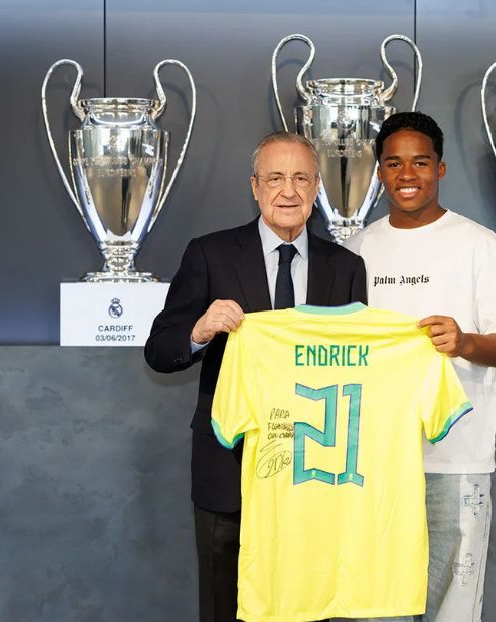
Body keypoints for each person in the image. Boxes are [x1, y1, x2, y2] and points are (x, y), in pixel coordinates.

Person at [144, 131, 367, 622]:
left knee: (310, 605)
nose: (288, 191)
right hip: (230, 468)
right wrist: (200, 330)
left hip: (316, 470)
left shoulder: (347, 267)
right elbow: (160, 351)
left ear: (316, 188)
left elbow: (358, 370)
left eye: (300, 178)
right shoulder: (210, 254)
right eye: (275, 178)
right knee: (226, 603)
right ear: (254, 186)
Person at [345, 111, 496, 621]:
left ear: (440, 170)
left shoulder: (479, 244)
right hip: (373, 461)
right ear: (379, 171)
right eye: (394, 163)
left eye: (420, 162)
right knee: (373, 605)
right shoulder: (356, 250)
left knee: (452, 605)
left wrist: (465, 341)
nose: (408, 174)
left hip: (457, 459)